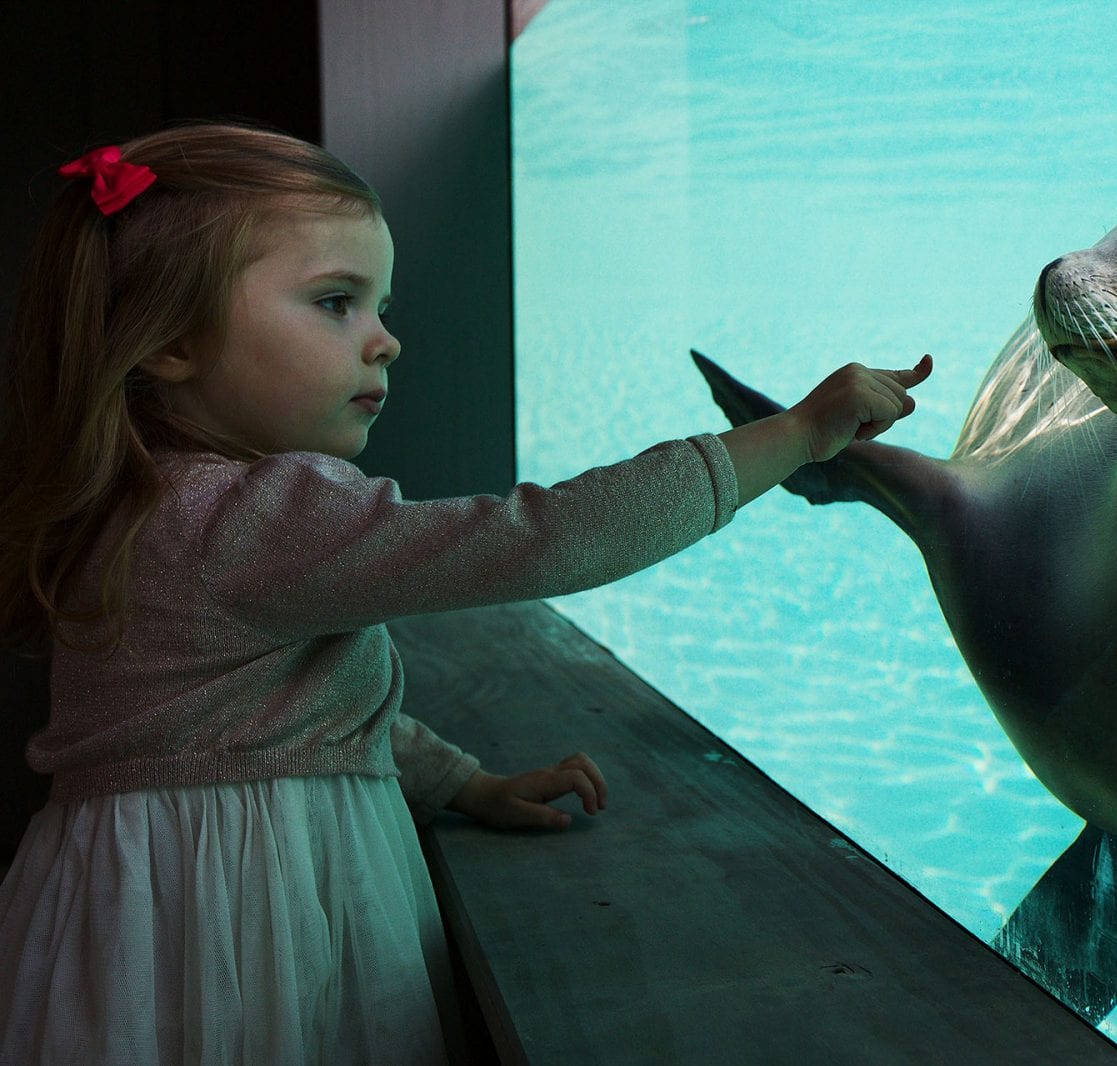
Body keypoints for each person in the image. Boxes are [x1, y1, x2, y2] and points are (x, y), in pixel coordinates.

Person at [0, 123, 931, 1063]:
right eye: (336, 302)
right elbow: (543, 540)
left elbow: (272, 718)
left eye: (380, 305)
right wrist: (795, 436)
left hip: (139, 917)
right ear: (168, 340)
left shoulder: (139, 511)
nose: (386, 341)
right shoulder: (247, 518)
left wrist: (462, 784)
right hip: (245, 929)